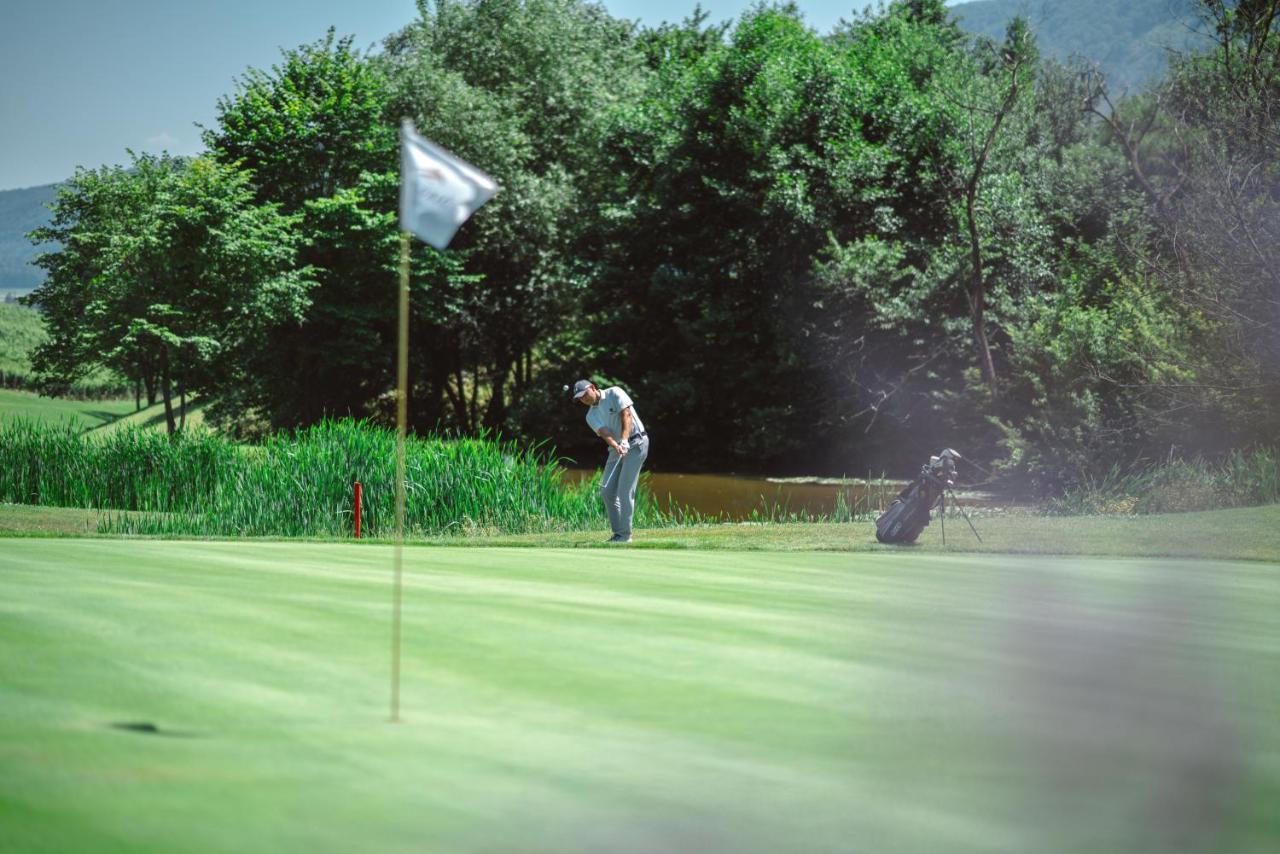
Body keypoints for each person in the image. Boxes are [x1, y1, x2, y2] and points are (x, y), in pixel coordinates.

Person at [570, 379, 649, 543]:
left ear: (592, 387)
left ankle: (626, 535)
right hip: (616, 448)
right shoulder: (591, 415)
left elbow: (626, 415)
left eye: (584, 395)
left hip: (637, 442)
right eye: (580, 399)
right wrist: (617, 445)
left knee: (624, 490)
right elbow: (604, 433)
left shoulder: (615, 392)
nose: (584, 400)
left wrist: (625, 440)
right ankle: (618, 534)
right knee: (607, 491)